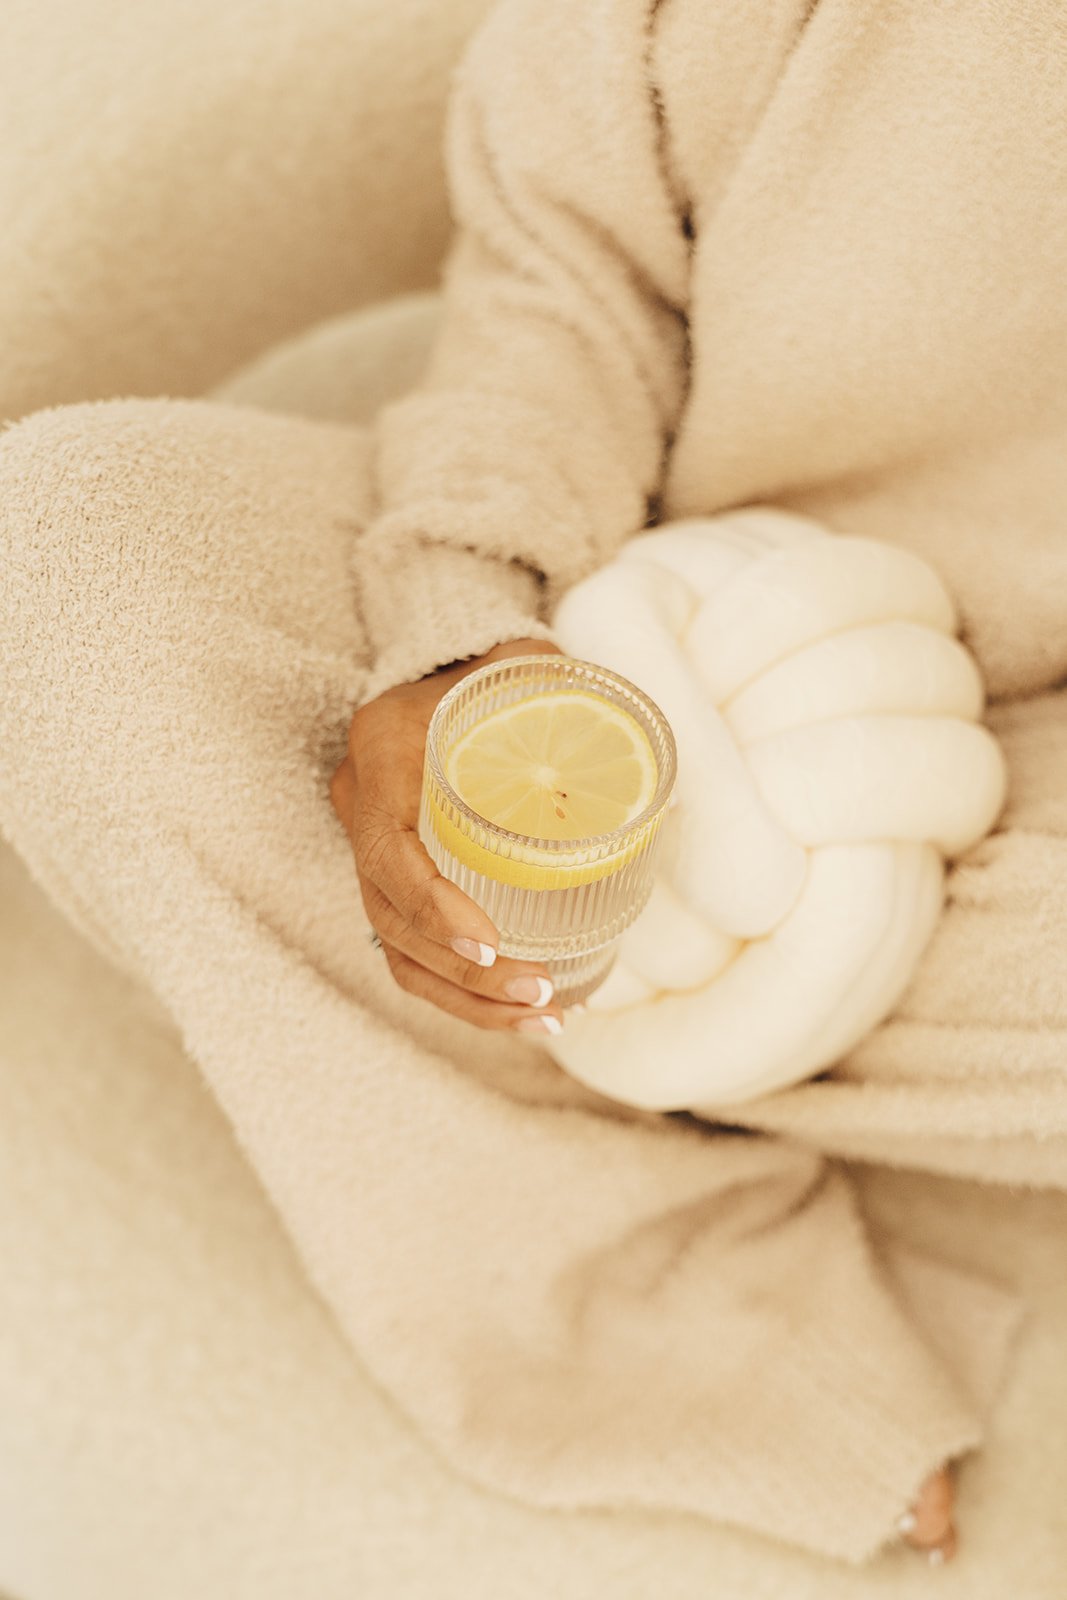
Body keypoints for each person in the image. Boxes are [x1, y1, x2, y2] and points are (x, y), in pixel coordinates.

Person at [3, 0, 1065, 1571]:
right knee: (62, 570)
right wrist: (460, 646)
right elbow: (572, 291)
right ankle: (654, 1273)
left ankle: (699, 1059)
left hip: (1020, 838)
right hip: (616, 616)